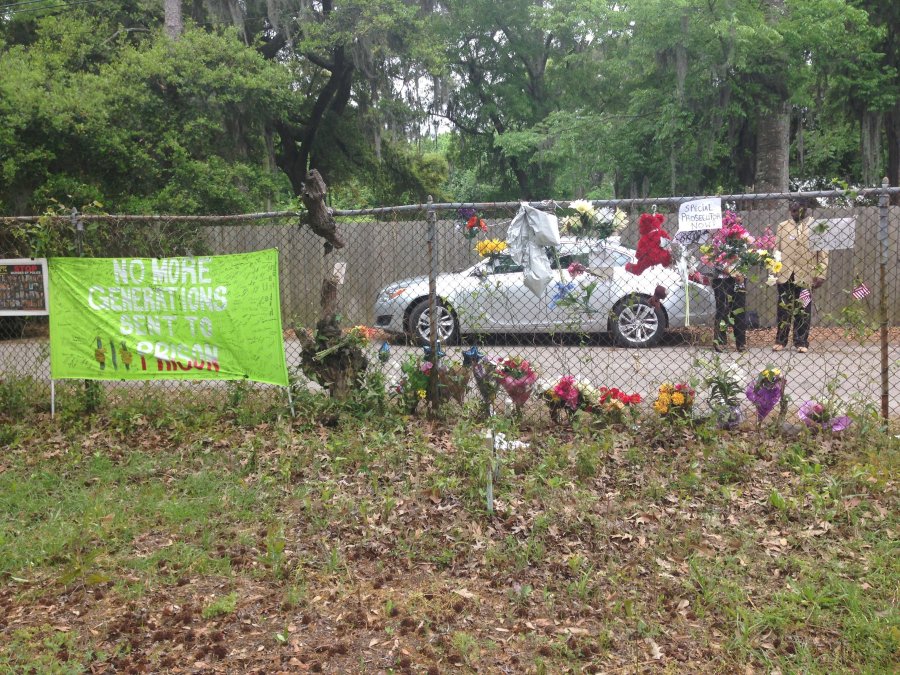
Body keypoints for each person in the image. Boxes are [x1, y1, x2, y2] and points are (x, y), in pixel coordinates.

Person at [772, 200, 828, 353]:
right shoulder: (783, 227)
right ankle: (780, 341)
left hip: (806, 276)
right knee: (783, 308)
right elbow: (776, 251)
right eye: (791, 211)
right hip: (785, 274)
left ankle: (801, 341)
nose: (793, 214)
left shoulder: (816, 227)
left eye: (796, 211)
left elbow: (823, 254)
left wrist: (821, 274)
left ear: (805, 210)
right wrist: (774, 271)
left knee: (803, 308)